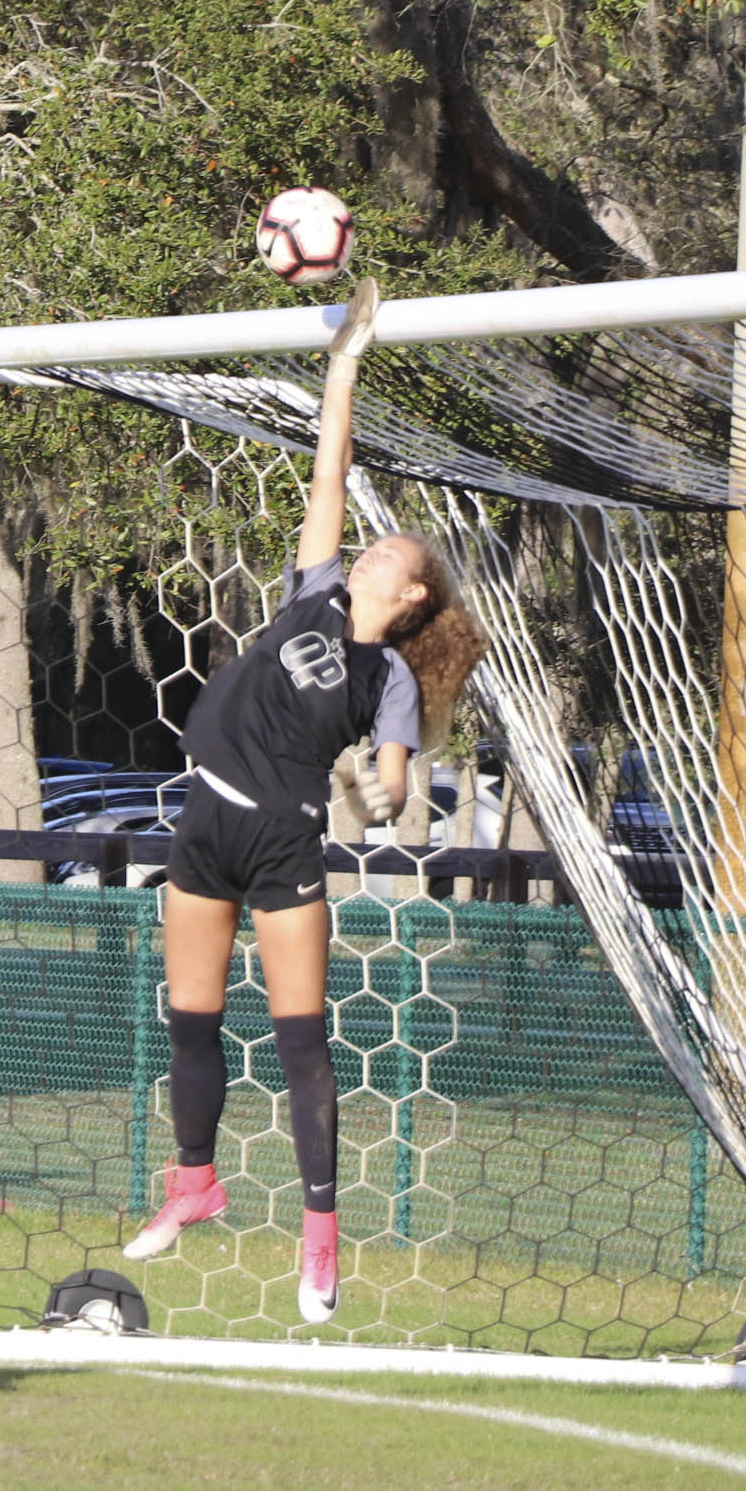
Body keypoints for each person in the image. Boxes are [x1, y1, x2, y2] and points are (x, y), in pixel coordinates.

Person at [122, 272, 487, 1325]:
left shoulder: (396, 679)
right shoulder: (311, 590)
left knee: (298, 1038)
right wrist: (344, 366)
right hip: (204, 821)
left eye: (393, 557)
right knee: (190, 1018)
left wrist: (390, 777)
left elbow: (397, 774)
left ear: (411, 595)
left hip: (284, 842)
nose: (373, 549)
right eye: (372, 545)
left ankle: (321, 1241)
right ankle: (196, 1182)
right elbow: (331, 469)